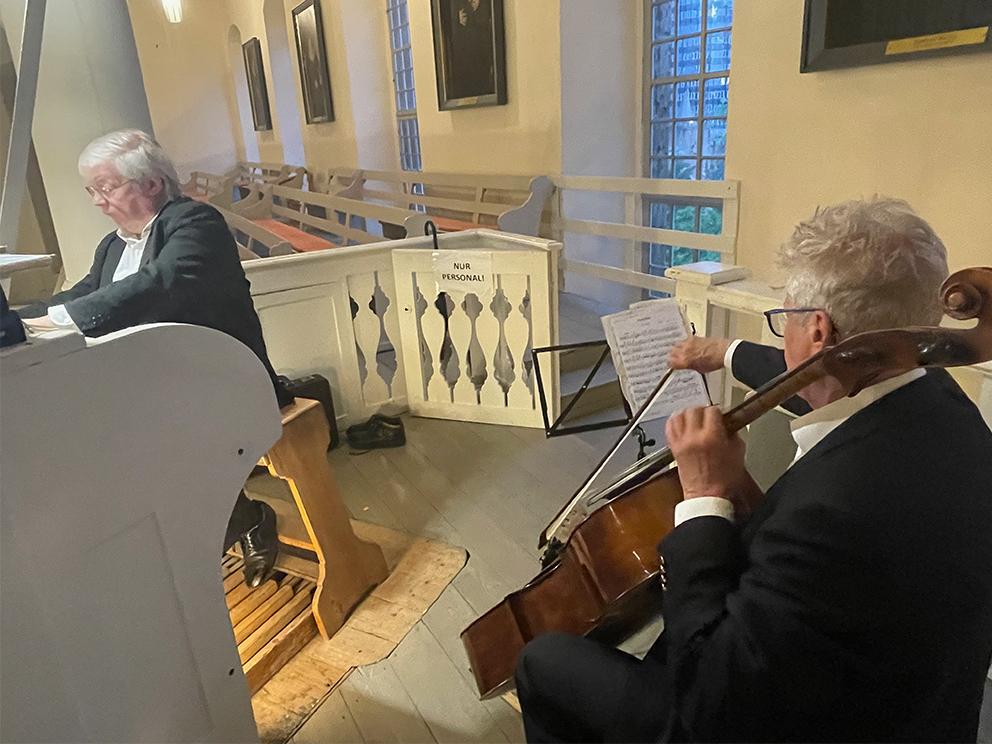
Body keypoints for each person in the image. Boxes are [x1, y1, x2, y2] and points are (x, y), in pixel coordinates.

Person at [514, 197, 992, 742]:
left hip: (794, 720)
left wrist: (703, 498)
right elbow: (822, 379)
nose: (780, 334)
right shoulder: (947, 406)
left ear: (817, 331)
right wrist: (723, 355)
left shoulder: (830, 512)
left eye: (782, 317)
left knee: (544, 660)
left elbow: (712, 706)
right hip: (912, 701)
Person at [19, 129, 291, 588]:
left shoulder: (195, 223)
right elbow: (85, 293)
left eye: (105, 187)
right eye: (92, 189)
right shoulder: (112, 245)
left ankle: (238, 521)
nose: (96, 201)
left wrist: (60, 321)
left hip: (223, 379)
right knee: (90, 430)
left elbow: (161, 283)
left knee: (135, 434)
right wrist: (17, 320)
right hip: (159, 383)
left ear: (151, 185)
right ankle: (181, 533)